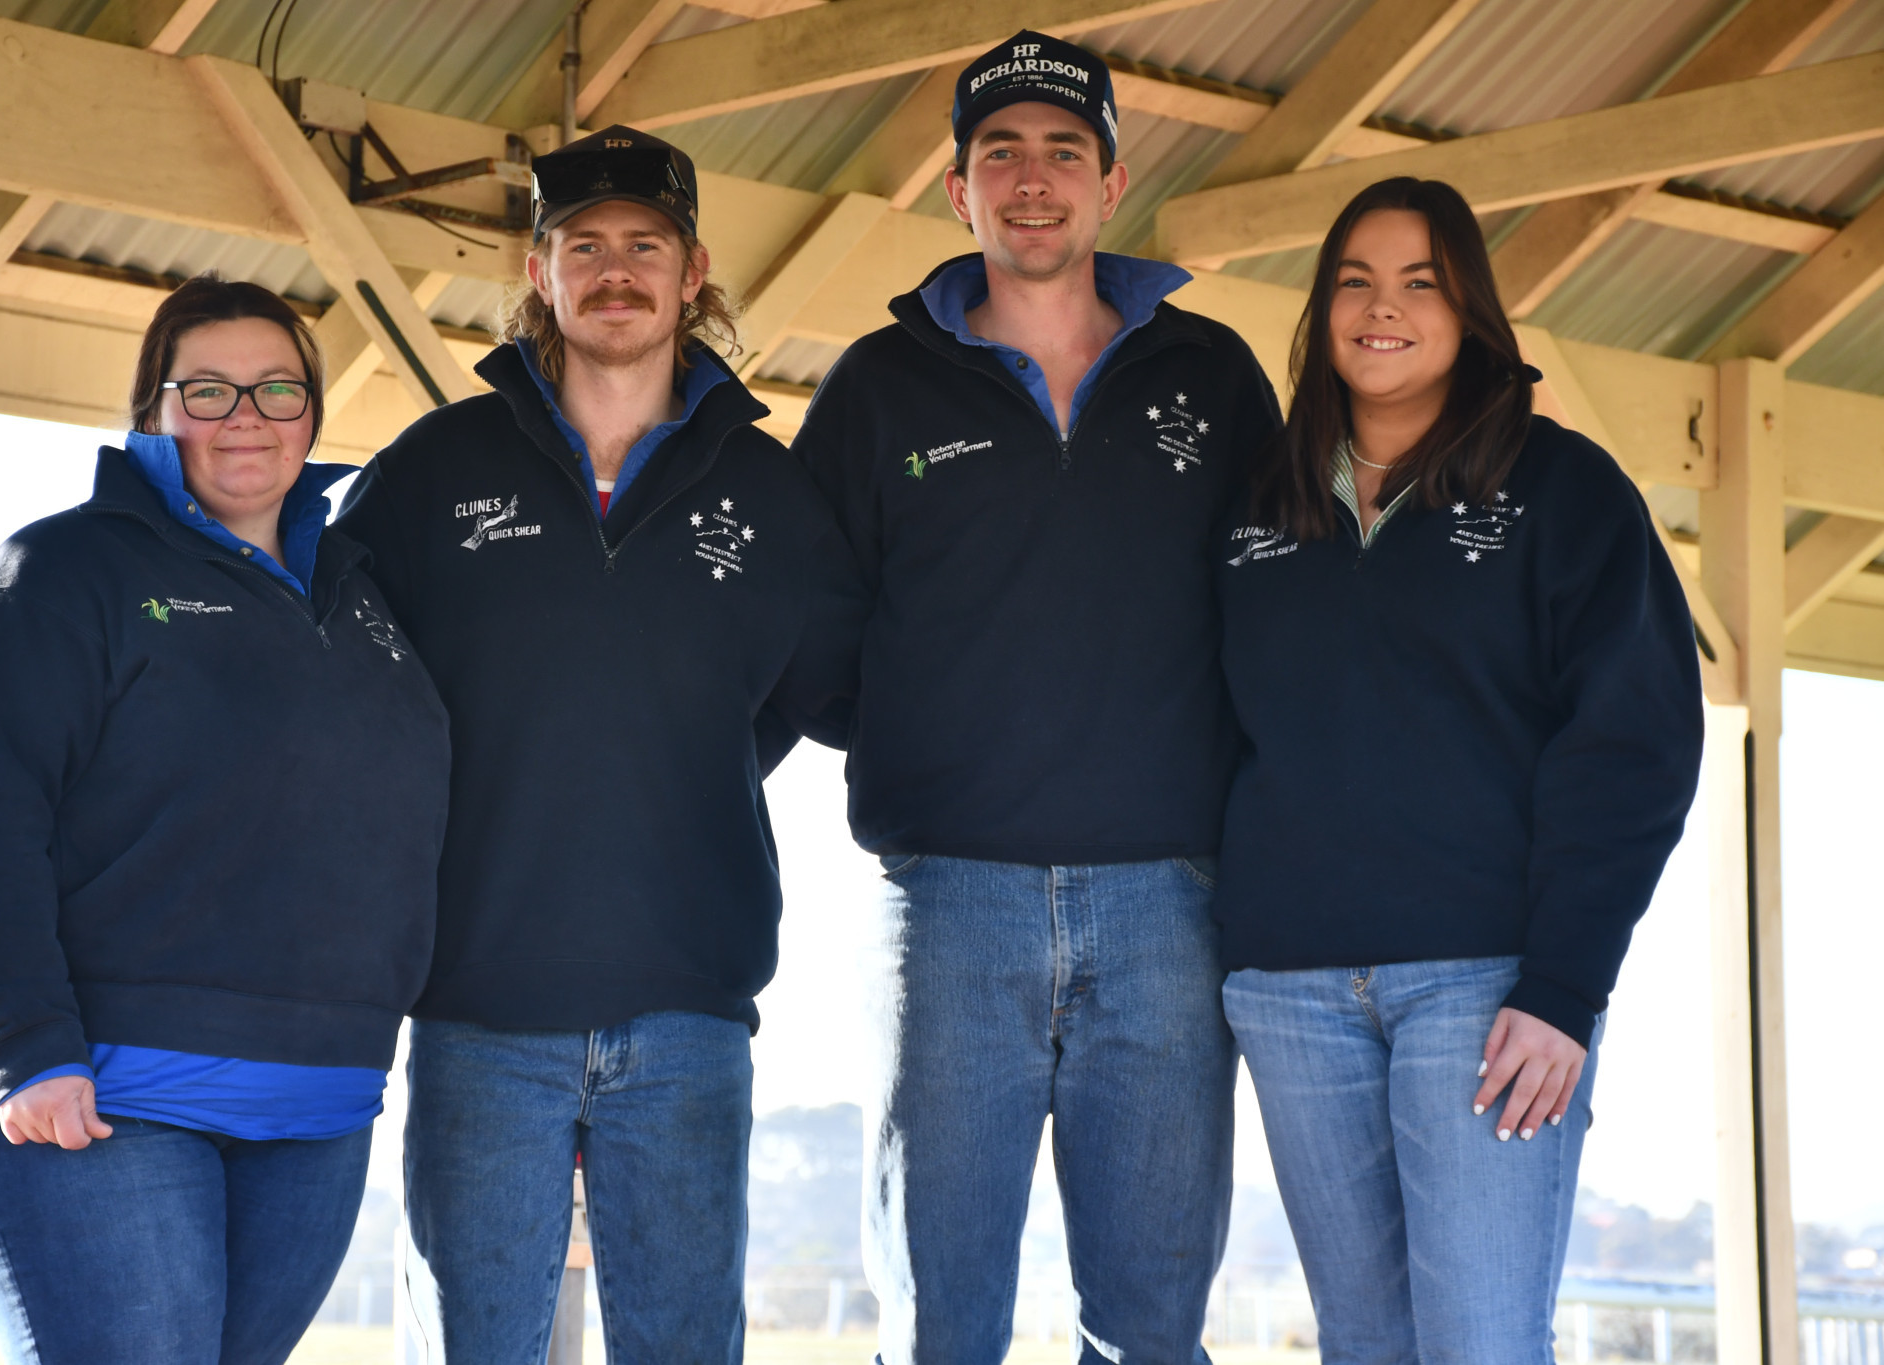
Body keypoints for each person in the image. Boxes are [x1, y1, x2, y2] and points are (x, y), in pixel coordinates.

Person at [334, 126, 867, 1364]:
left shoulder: (775, 498)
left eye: (645, 245)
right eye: (585, 246)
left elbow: (805, 695)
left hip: (686, 1012)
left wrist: (674, 764)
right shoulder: (429, 472)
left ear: (692, 274)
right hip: (476, 1011)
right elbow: (344, 694)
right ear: (538, 270)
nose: (615, 271)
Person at [790, 32, 1281, 1364]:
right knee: (940, 1321)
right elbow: (807, 623)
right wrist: (929, 732)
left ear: (1113, 181)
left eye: (1064, 151)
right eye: (998, 152)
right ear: (958, 192)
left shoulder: (1215, 379)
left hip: (1171, 906)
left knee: (1152, 1327)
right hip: (949, 903)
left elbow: (1285, 615)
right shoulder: (879, 388)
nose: (1032, 178)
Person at [0, 275, 451, 1365]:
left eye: (275, 389)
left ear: (313, 413)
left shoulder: (364, 596)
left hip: (316, 1104)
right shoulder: (57, 576)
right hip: (100, 1088)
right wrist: (27, 1046)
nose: (244, 416)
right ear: (152, 409)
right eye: (207, 390)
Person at [1214, 176, 1704, 1362]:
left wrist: (1563, 988)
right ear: (1320, 309)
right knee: (1362, 1346)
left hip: (1483, 993)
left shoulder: (1561, 489)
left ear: (1468, 310)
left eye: (1418, 283)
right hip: (1288, 990)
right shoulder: (1254, 506)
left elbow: (1633, 743)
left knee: (1480, 1343)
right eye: (1352, 281)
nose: (1380, 308)